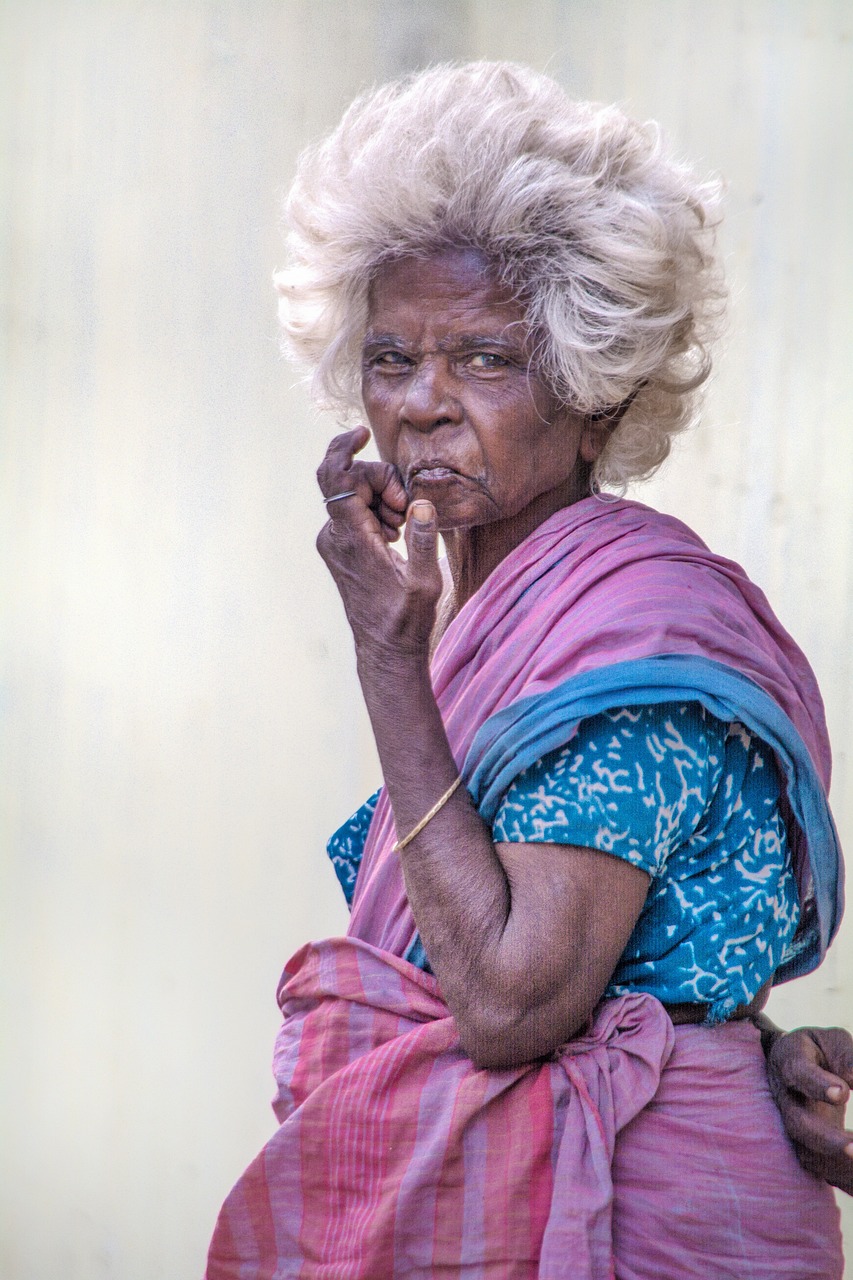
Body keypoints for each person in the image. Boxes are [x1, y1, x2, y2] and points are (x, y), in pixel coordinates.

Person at [207, 63, 852, 1278]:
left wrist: (386, 661)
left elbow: (511, 1004)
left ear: (592, 393)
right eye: (392, 359)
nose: (423, 406)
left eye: (485, 361)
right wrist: (753, 1035)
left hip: (639, 1222)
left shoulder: (632, 632)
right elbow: (634, 952)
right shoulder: (496, 617)